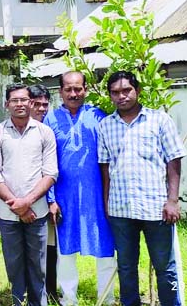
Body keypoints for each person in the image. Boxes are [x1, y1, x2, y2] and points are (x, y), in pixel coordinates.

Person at [98, 71, 187, 306]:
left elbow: (174, 161)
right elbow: (105, 169)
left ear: (137, 91)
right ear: (110, 96)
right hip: (120, 209)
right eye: (115, 92)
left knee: (165, 267)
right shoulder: (105, 126)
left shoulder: (159, 120)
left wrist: (172, 201)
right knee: (126, 267)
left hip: (156, 208)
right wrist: (107, 204)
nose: (121, 96)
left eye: (126, 90)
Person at [44, 72, 116, 306]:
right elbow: (45, 162)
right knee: (65, 250)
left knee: (105, 247)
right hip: (64, 197)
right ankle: (69, 299)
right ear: (60, 92)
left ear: (85, 89)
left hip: (97, 196)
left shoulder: (99, 117)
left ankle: (106, 297)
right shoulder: (51, 119)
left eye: (78, 89)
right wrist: (51, 199)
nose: (73, 94)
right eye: (68, 89)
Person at [0, 83, 58, 306]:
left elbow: (50, 173)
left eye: (24, 100)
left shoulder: (44, 132)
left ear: (31, 102)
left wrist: (26, 203)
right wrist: (17, 206)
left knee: (38, 264)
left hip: (37, 213)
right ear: (6, 104)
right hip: (8, 216)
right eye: (14, 100)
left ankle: (39, 303)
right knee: (14, 264)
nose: (20, 104)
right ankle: (19, 302)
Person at [28, 83, 57, 301]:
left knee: (49, 247)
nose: (41, 109)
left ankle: (50, 290)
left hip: (48, 198)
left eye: (44, 105)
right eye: (36, 104)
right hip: (22, 202)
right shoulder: (16, 130)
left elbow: (52, 169)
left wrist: (51, 199)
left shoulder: (50, 129)